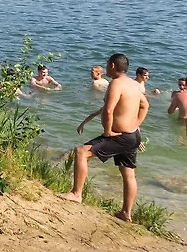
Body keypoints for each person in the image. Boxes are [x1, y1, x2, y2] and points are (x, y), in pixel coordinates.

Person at [62, 53, 149, 222]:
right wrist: (135, 125)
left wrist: (108, 131)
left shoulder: (116, 84)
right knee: (128, 174)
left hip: (119, 136)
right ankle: (126, 213)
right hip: (132, 135)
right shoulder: (133, 84)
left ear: (113, 66)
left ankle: (76, 194)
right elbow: (145, 106)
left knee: (81, 152)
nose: (107, 67)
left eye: (108, 64)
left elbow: (108, 110)